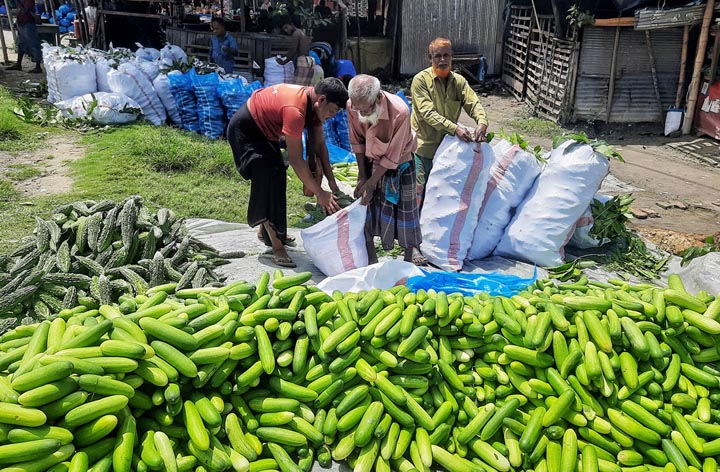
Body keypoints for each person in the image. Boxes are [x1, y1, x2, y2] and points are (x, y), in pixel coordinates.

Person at [227, 78, 347, 268]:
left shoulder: (315, 105)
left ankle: (266, 231)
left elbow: (320, 145)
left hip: (265, 134)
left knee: (278, 175)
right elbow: (296, 159)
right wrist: (319, 193)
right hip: (246, 131)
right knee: (268, 180)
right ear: (322, 99)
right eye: (332, 111)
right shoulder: (295, 110)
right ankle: (277, 247)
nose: (332, 116)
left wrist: (332, 184)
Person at [346, 74, 426, 266]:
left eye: (365, 109)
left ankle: (408, 256)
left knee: (406, 211)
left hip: (400, 162)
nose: (361, 113)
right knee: (365, 207)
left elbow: (393, 156)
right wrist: (363, 176)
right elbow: (357, 142)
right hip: (369, 158)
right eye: (358, 108)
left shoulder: (400, 112)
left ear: (378, 98)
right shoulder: (353, 106)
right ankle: (371, 257)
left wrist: (372, 183)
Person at [411, 37, 489, 208]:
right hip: (424, 149)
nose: (442, 60)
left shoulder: (459, 82)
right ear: (430, 58)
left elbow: (473, 103)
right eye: (437, 56)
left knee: (441, 196)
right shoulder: (420, 81)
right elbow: (427, 113)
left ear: (452, 56)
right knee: (418, 194)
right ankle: (414, 224)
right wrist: (455, 129)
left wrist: (482, 122)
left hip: (447, 150)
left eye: (446, 55)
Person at [276, 20, 315, 85]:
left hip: (303, 61)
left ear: (291, 24)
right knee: (305, 85)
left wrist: (284, 62)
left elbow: (293, 50)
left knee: (297, 85)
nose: (286, 30)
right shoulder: (302, 32)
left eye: (286, 27)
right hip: (309, 61)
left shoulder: (296, 34)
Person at [8, 0, 42, 73]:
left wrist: (17, 2)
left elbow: (25, 11)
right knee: (21, 44)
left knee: (34, 45)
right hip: (22, 23)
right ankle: (18, 64)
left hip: (28, 24)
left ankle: (38, 67)